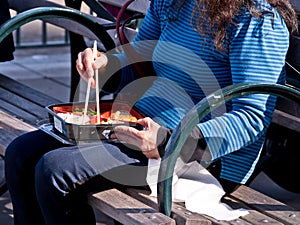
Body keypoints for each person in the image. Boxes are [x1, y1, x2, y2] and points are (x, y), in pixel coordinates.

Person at [5, 0, 298, 224]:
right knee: (21, 153)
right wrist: (105, 65)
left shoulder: (258, 19)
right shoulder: (171, 2)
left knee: (55, 170)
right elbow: (139, 58)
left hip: (203, 154)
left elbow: (251, 118)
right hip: (140, 125)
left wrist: (170, 140)